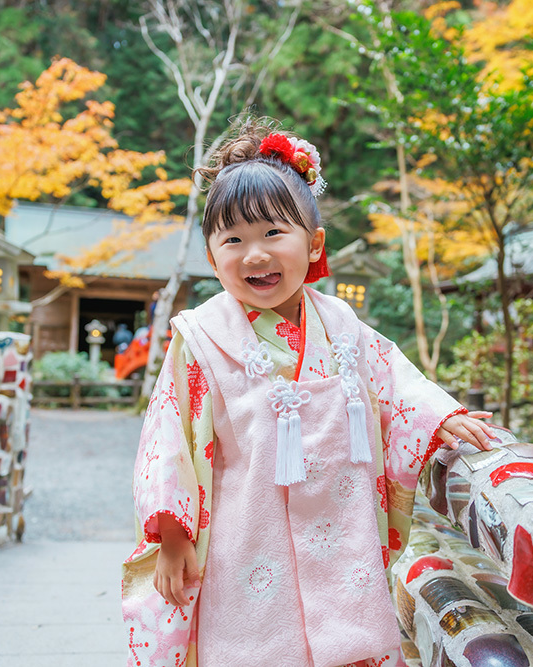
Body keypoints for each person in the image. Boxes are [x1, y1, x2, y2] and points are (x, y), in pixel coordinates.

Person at [123, 118, 496, 667]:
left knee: (354, 640)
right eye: (233, 240)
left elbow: (395, 381)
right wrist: (174, 536)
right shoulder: (199, 337)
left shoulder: (341, 324)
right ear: (211, 256)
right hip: (248, 539)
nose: (254, 254)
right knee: (252, 647)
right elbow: (169, 437)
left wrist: (439, 417)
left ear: (314, 242)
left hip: (341, 530)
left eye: (273, 233)